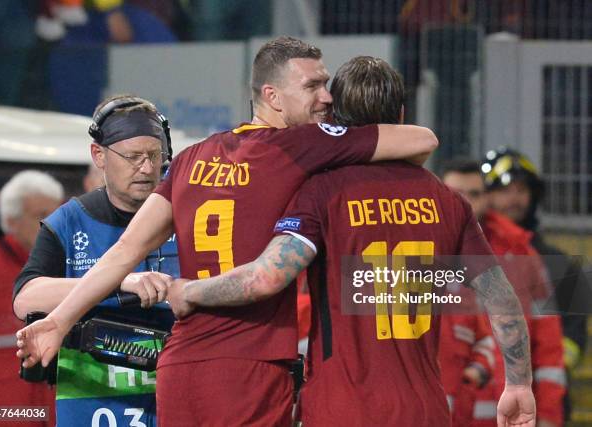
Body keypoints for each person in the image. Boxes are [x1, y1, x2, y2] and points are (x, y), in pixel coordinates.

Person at [15, 36, 438, 426]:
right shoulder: (303, 145)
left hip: (180, 368)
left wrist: (58, 321)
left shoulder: (192, 158)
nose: (327, 98)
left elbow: (125, 250)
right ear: (271, 96)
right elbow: (422, 140)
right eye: (313, 86)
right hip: (249, 368)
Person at [166, 56, 536, 426]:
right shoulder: (448, 201)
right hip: (425, 410)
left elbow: (266, 277)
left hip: (340, 408)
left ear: (335, 121)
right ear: (402, 115)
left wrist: (190, 291)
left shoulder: (320, 193)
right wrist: (519, 385)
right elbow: (502, 298)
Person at [12, 95, 180, 427]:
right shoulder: (70, 221)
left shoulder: (187, 215)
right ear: (98, 156)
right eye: (133, 157)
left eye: (154, 156)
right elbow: (24, 298)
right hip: (91, 402)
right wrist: (117, 281)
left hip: (176, 394)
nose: (147, 168)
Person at [442, 158, 565, 427]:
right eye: (454, 194)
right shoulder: (418, 253)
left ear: (488, 198)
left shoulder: (521, 253)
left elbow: (549, 342)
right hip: (443, 411)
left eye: (474, 194)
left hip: (510, 412)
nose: (464, 202)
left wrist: (548, 416)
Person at [482, 147, 590, 423]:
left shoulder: (558, 262)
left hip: (545, 397)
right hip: (483, 394)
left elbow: (575, 333)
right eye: (504, 191)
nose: (514, 199)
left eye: (521, 191)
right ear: (488, 197)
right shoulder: (475, 257)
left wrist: (545, 367)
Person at [0, 170, 62, 427]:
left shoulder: (69, 269)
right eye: (40, 215)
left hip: (56, 407)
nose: (50, 223)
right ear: (11, 220)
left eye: (55, 214)